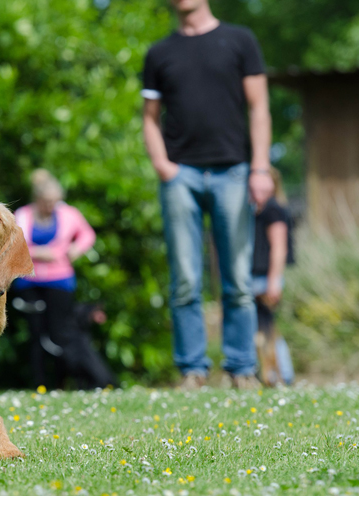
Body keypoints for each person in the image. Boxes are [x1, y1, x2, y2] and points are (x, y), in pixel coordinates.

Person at [142, 0, 274, 389]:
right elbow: (150, 117)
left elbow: (260, 107)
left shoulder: (240, 41)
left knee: (237, 277)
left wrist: (261, 167)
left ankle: (241, 367)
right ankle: (193, 370)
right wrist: (163, 165)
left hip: (232, 172)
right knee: (185, 278)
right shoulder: (159, 53)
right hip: (179, 175)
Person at [12, 170, 100, 389]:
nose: (51, 206)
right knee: (36, 335)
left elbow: (88, 235)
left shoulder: (68, 214)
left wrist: (75, 250)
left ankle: (64, 383)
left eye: (54, 201)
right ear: (37, 199)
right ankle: (40, 384)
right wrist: (39, 253)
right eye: (46, 202)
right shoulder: (22, 215)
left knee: (61, 334)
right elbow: (11, 245)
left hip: (60, 281)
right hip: (29, 282)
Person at [250, 168, 295, 385]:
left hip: (264, 279)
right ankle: (270, 374)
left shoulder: (273, 210)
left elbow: (279, 247)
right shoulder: (258, 211)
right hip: (256, 277)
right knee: (261, 330)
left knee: (268, 331)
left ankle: (281, 375)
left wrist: (273, 280)